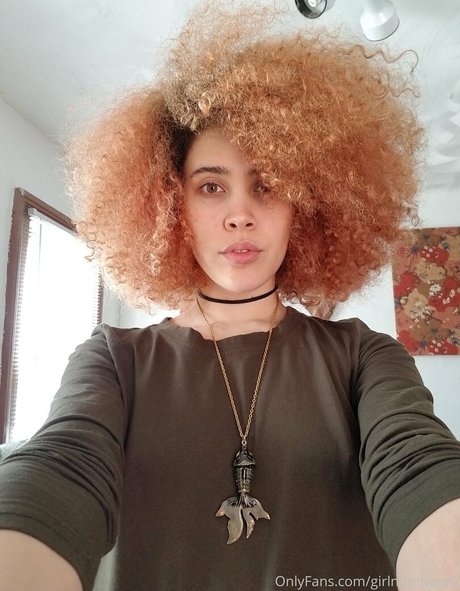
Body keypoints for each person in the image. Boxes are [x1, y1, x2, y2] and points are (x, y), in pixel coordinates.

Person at [1, 2, 460, 591]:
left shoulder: (362, 356)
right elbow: (60, 469)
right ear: (172, 206)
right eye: (211, 186)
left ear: (305, 208)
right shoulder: (114, 360)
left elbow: (417, 465)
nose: (241, 214)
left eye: (267, 184)